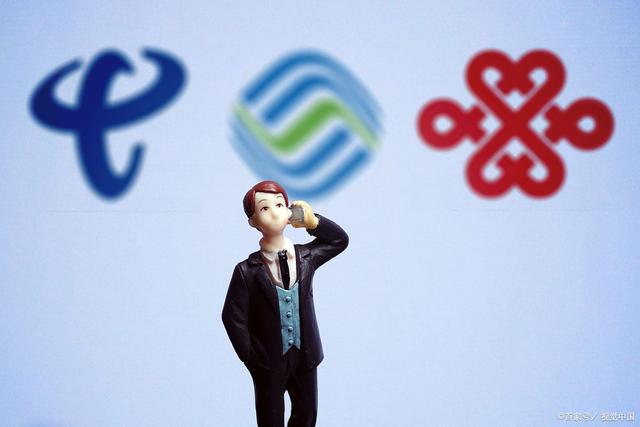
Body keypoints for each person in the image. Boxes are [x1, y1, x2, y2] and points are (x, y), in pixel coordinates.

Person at [222, 180, 349, 427]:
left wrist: (313, 222)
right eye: (264, 208)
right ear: (253, 221)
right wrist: (251, 357)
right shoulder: (246, 271)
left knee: (307, 413)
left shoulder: (306, 257)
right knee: (270, 417)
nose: (274, 212)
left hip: (305, 354)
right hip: (269, 359)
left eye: (279, 204)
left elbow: (339, 241)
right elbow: (232, 316)